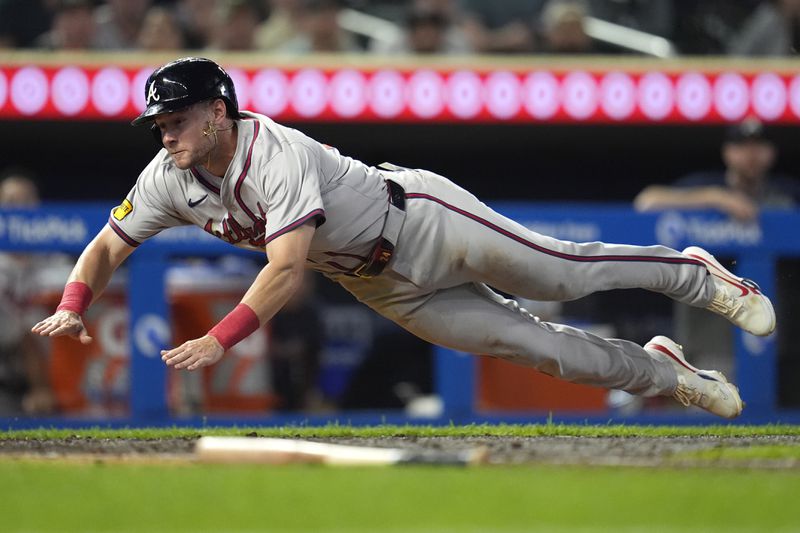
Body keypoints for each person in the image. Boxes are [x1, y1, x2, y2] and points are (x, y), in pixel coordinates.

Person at [32, 57, 778, 420]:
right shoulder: (168, 172)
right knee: (547, 351)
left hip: (421, 218)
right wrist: (74, 300)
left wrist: (220, 340)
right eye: (159, 124)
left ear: (220, 111)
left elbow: (287, 267)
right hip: (379, 281)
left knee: (562, 274)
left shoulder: (274, 152)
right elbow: (105, 246)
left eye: (179, 118)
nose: (166, 135)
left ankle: (700, 277)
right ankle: (668, 376)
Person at [634, 119, 799, 221]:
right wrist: (717, 198)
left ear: (772, 152)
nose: (751, 155)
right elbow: (646, 201)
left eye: (759, 146)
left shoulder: (788, 190)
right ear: (727, 152)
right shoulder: (709, 185)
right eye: (742, 146)